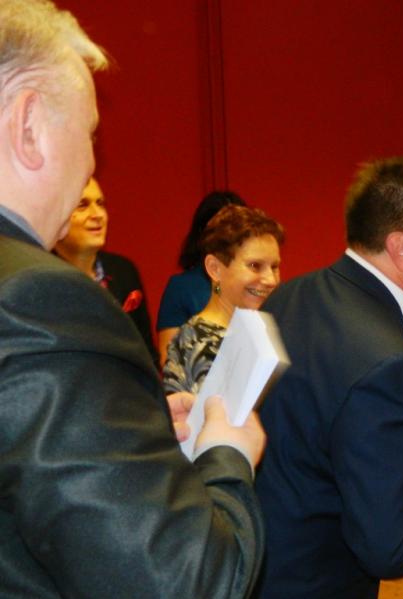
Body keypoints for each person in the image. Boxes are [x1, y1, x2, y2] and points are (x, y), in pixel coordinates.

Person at [0, 2, 266, 596]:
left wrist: (126, 429)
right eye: (90, 133)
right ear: (29, 128)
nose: (92, 162)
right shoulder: (40, 298)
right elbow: (188, 581)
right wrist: (226, 456)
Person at [255, 157, 403, 598]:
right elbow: (392, 548)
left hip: (255, 566)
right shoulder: (392, 368)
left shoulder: (293, 295)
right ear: (402, 249)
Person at [163, 204, 284, 393]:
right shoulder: (198, 342)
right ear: (215, 269)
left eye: (274, 267)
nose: (271, 280)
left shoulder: (260, 330)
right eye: (255, 266)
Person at [54, 177, 159, 365]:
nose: (97, 215)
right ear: (56, 216)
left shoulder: (124, 271)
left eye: (100, 204)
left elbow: (146, 353)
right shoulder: (41, 277)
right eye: (82, 205)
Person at [156, 190, 246, 366]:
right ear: (203, 234)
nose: (230, 239)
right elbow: (169, 360)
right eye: (222, 231)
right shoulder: (182, 287)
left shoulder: (257, 282)